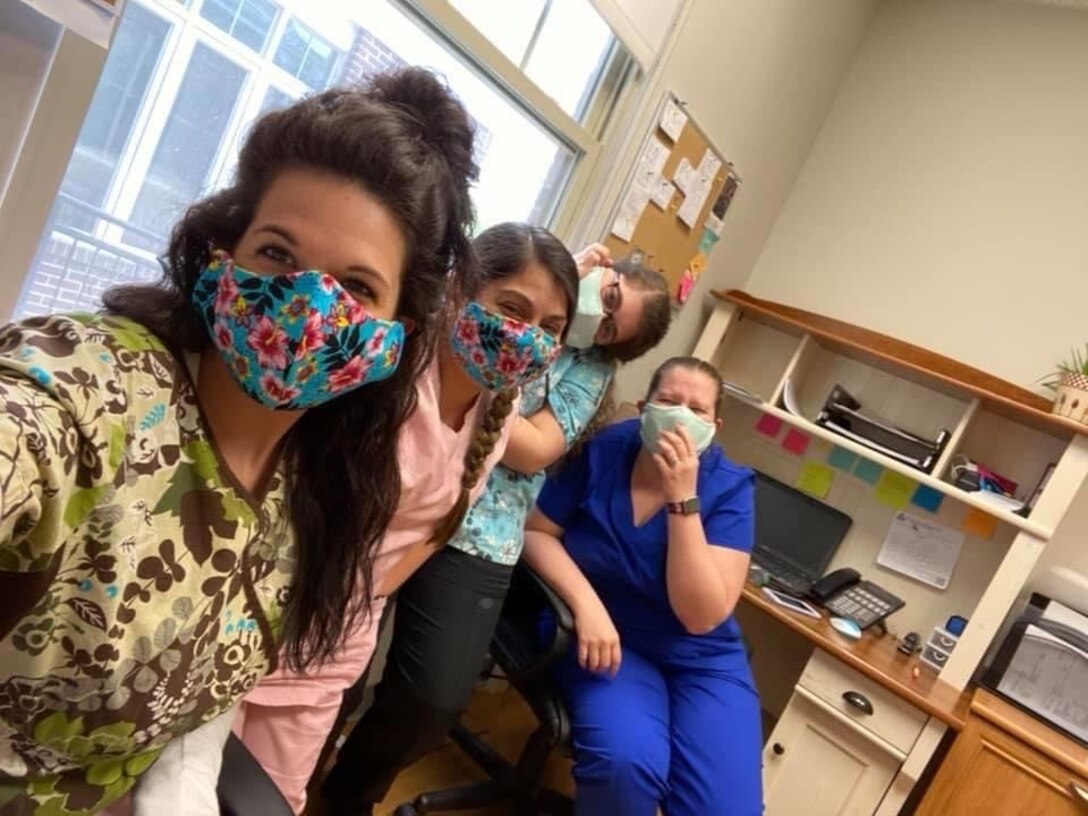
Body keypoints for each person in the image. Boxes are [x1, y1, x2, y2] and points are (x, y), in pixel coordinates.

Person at [0, 67, 477, 815]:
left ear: (393, 337)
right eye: (278, 255)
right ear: (224, 252)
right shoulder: (98, 389)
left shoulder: (316, 489)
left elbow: (194, 701)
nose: (306, 305)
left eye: (356, 287)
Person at [231, 222, 581, 814]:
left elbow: (433, 529)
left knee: (272, 799)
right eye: (511, 309)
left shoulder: (500, 405)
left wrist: (357, 606)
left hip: (333, 639)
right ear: (455, 293)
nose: (526, 338)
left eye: (550, 328)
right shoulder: (381, 371)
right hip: (253, 618)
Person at [321, 251, 671, 814]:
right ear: (603, 269)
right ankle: (292, 777)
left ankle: (345, 797)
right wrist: (556, 283)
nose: (597, 318)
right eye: (607, 297)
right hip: (406, 491)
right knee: (336, 668)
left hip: (485, 533)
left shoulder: (589, 370)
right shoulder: (517, 278)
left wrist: (482, 370)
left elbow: (536, 450)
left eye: (609, 327)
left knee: (432, 702)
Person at [522, 356, 763, 816]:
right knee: (626, 766)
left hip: (701, 658)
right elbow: (536, 532)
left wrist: (682, 500)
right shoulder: (606, 450)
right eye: (669, 401)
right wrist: (586, 607)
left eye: (697, 410)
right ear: (643, 406)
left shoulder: (731, 489)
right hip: (608, 639)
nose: (681, 417)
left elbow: (700, 615)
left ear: (716, 426)